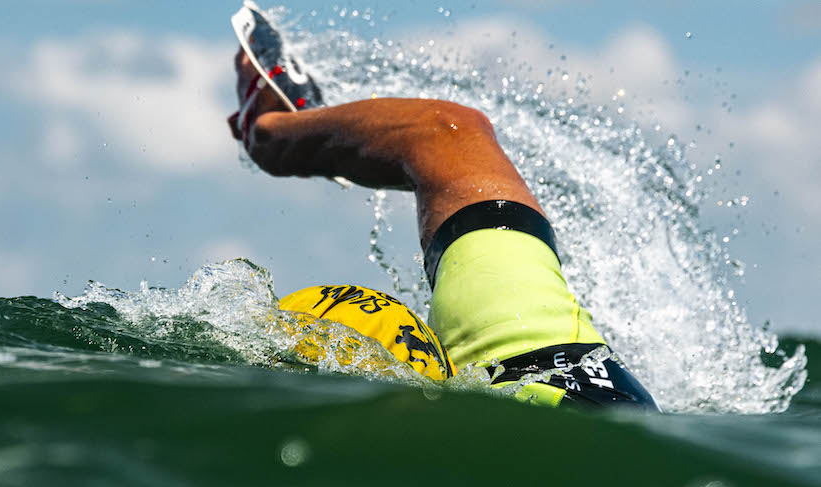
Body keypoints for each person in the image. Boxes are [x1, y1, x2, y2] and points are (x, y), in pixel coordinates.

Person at [229, 43, 656, 409]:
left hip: (547, 381)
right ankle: (273, 132)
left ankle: (272, 130)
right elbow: (440, 131)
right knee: (448, 134)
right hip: (570, 374)